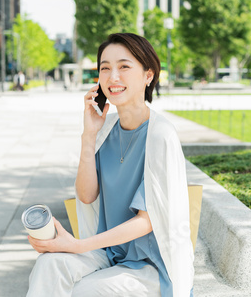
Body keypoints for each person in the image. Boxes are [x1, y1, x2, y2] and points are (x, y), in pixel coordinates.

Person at [26, 33, 194, 296]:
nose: (112, 77)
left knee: (86, 290)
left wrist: (77, 245)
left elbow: (146, 222)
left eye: (124, 67)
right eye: (105, 68)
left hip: (149, 266)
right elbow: (86, 195)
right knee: (50, 264)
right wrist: (89, 135)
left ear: (148, 75)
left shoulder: (161, 135)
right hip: (108, 254)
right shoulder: (105, 131)